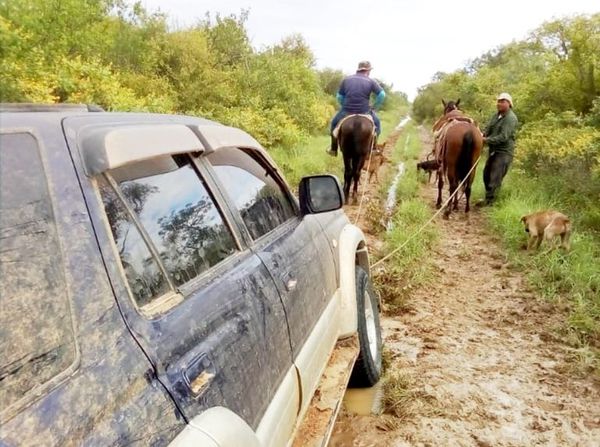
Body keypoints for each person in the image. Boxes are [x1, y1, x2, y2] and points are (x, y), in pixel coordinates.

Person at [328, 61, 386, 156]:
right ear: (368, 70)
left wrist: (344, 104)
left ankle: (333, 149)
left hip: (347, 110)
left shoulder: (346, 79)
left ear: (359, 69)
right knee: (377, 125)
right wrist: (375, 106)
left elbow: (339, 96)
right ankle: (374, 148)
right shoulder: (371, 81)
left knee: (334, 124)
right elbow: (382, 94)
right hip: (365, 111)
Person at [479, 92, 519, 206]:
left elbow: (503, 137)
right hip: (493, 151)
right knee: (486, 174)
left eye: (502, 101)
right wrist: (483, 134)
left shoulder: (511, 118)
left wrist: (485, 140)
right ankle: (488, 198)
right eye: (498, 101)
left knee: (495, 177)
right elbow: (489, 128)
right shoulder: (496, 115)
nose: (499, 103)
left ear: (509, 104)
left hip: (504, 152)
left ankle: (490, 202)